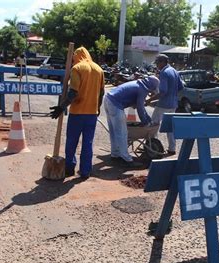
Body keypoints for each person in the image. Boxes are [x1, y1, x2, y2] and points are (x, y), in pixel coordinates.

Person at [50, 47, 105, 179]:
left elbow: (73, 93)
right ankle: (85, 172)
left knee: (72, 142)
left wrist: (61, 107)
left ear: (77, 57)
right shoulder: (99, 69)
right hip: (92, 113)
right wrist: (97, 108)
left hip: (77, 113)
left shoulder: (77, 69)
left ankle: (69, 169)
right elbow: (102, 93)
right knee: (88, 143)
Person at [103, 76, 159, 167]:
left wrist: (148, 119)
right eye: (153, 89)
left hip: (108, 99)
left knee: (114, 131)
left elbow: (138, 106)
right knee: (122, 132)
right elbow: (140, 109)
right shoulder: (143, 89)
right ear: (151, 86)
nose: (152, 92)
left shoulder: (138, 84)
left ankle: (115, 154)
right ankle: (126, 159)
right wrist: (146, 123)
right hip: (115, 103)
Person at [147, 54, 183, 155]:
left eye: (158, 63)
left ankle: (152, 146)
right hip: (173, 104)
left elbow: (163, 91)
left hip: (163, 104)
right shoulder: (174, 71)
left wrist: (150, 100)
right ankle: (172, 148)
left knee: (153, 124)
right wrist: (173, 94)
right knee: (170, 127)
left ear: (162, 62)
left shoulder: (164, 72)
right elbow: (181, 87)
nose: (157, 65)